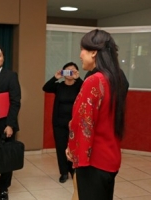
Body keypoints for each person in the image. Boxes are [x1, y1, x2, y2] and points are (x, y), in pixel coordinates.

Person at [66, 29, 129, 200]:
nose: (80, 55)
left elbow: (83, 123)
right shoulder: (117, 78)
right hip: (111, 157)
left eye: (83, 50)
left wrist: (73, 150)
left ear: (94, 52)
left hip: (93, 160)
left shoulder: (95, 80)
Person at [42, 62, 83, 183]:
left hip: (75, 123)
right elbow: (45, 87)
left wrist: (78, 78)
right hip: (59, 123)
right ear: (64, 72)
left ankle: (73, 170)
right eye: (68, 70)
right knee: (61, 148)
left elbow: (87, 88)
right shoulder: (59, 86)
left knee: (74, 147)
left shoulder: (79, 86)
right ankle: (64, 172)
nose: (70, 73)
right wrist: (55, 77)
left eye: (73, 70)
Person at [0, 49, 21, 200]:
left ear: (4, 58)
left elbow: (15, 102)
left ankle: (3, 189)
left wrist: (10, 124)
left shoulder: (11, 76)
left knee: (6, 157)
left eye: (0, 56)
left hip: (5, 123)